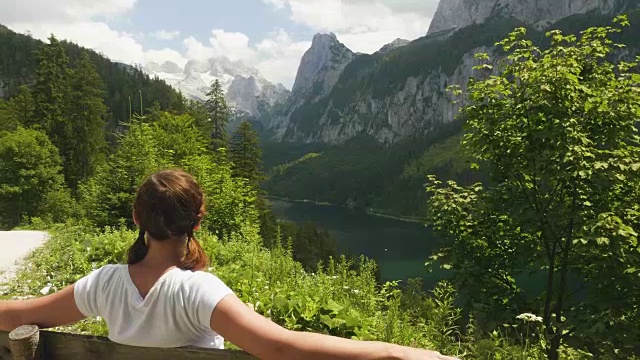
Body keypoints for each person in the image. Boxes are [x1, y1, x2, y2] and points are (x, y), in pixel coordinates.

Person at [0, 170, 458, 360]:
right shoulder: (199, 292)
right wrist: (398, 352)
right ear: (198, 220)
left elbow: (20, 313)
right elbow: (282, 347)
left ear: (136, 218)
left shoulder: (104, 284)